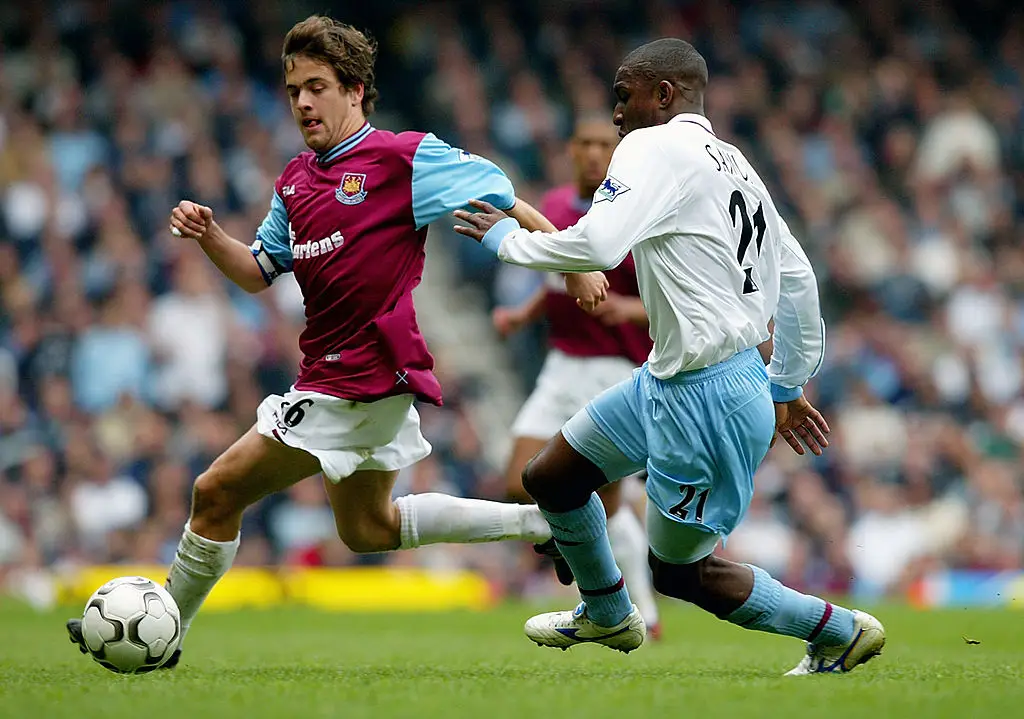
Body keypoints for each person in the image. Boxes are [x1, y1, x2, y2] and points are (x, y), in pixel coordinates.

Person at [66, 15, 608, 668]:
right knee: (366, 529)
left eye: (316, 86)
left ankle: (165, 630)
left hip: (357, 379)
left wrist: (576, 266)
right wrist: (210, 235)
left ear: (354, 90)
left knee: (216, 490)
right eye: (294, 89)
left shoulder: (404, 158)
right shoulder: (295, 182)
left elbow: (508, 198)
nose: (301, 102)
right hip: (346, 379)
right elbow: (257, 273)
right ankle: (539, 521)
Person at [454, 38, 885, 675]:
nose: (617, 114)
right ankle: (606, 614)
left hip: (708, 396)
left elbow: (599, 244)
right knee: (552, 478)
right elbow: (796, 278)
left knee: (682, 572)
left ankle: (838, 630)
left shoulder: (651, 147)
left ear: (665, 94)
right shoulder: (734, 163)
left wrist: (507, 240)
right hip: (674, 378)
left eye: (624, 97)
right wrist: (788, 384)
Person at [492, 115, 660, 635]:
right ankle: (575, 545)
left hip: (617, 369)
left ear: (618, 152)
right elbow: (563, 273)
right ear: (570, 149)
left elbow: (673, 297)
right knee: (519, 480)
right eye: (584, 143)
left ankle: (637, 613)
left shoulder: (637, 211)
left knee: (605, 508)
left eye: (603, 145)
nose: (593, 153)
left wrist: (629, 311)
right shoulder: (558, 207)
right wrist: (525, 314)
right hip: (562, 364)